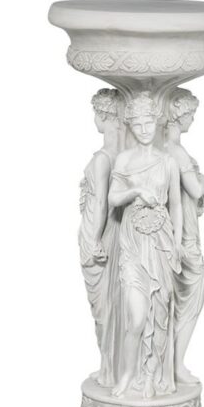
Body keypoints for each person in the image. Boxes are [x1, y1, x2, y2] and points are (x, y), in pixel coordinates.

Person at [108, 92, 183, 398]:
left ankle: (150, 374)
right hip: (132, 245)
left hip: (161, 244)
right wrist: (136, 191)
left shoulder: (168, 162)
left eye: (148, 123)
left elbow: (176, 204)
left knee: (159, 314)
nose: (143, 129)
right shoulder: (124, 160)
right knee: (137, 318)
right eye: (137, 124)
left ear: (156, 121)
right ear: (130, 125)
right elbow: (113, 198)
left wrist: (177, 242)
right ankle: (127, 373)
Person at [78, 88, 121, 386]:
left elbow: (100, 204)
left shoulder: (103, 160)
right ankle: (111, 366)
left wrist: (93, 240)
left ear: (104, 115)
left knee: (104, 307)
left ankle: (110, 368)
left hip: (99, 236)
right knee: (110, 304)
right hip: (111, 234)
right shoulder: (120, 156)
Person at [165, 88, 204, 385]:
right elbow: (196, 189)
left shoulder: (163, 148)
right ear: (180, 115)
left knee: (174, 299)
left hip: (171, 228)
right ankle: (176, 364)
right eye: (191, 114)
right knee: (191, 296)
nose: (193, 119)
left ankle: (170, 363)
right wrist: (203, 178)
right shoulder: (176, 152)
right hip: (184, 235)